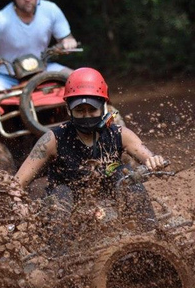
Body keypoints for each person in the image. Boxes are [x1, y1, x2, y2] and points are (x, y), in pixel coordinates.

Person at [15, 67, 166, 227]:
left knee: (129, 181)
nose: (86, 116)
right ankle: (61, 251)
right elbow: (17, 183)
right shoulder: (53, 139)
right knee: (60, 195)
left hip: (112, 198)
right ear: (68, 109)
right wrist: (18, 204)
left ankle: (150, 236)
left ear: (104, 107)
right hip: (68, 208)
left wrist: (154, 161)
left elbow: (148, 156)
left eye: (92, 110)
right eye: (79, 110)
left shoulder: (120, 134)